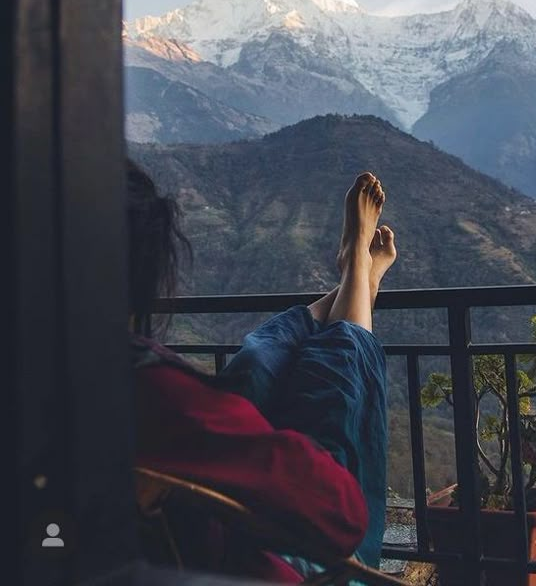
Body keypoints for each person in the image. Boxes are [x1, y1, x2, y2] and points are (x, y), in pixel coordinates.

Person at [128, 158, 397, 581]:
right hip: (279, 566)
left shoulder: (55, 380)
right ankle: (357, 277)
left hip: (207, 520)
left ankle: (355, 278)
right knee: (338, 390)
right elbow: (340, 513)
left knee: (254, 365)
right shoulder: (145, 391)